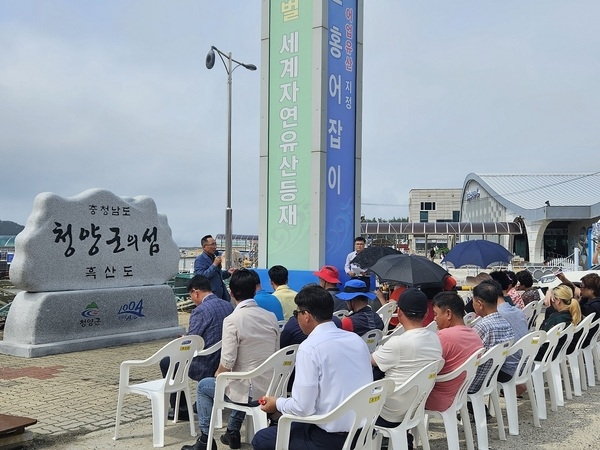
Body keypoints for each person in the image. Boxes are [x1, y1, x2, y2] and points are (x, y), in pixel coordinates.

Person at [251, 284, 373, 450]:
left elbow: (303, 408)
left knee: (262, 438)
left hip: (327, 438)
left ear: (306, 315)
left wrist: (276, 403)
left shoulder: (310, 347)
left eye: (297, 313)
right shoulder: (356, 340)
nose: (296, 318)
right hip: (362, 433)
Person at [182, 269, 280, 450]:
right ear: (255, 290)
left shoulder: (233, 320)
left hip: (249, 390)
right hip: (270, 387)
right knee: (238, 382)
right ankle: (232, 431)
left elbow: (226, 363)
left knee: (206, 385)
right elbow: (276, 353)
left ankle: (205, 440)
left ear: (232, 293)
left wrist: (218, 375)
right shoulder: (271, 317)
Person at [371, 288, 442, 450]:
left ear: (399, 312)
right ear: (425, 314)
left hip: (390, 411)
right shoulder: (435, 339)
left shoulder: (398, 343)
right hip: (415, 406)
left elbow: (371, 361)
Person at [160, 275, 234, 421]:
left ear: (195, 292)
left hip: (206, 362)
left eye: (191, 296)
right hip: (225, 359)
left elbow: (191, 340)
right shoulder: (227, 305)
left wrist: (183, 339)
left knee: (167, 362)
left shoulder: (200, 311)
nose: (192, 299)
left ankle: (181, 409)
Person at [426, 291, 483, 412]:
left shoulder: (444, 336)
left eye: (436, 314)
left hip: (438, 398)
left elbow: (426, 367)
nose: (435, 319)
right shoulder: (474, 334)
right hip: (460, 393)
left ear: (448, 314)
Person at [468, 281, 518, 395]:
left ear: (480, 304)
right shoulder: (505, 323)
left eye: (473, 302)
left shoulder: (482, 326)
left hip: (476, 381)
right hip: (493, 375)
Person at [536, 284, 582, 360]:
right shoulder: (572, 315)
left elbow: (542, 337)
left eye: (552, 299)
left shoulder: (555, 318)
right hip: (559, 353)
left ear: (558, 301)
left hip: (546, 355)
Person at [194, 235, 236, 302]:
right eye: (212, 245)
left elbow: (218, 275)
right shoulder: (200, 260)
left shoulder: (214, 257)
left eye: (215, 244)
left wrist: (228, 272)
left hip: (222, 295)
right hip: (210, 296)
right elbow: (201, 277)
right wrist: (214, 265)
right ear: (204, 246)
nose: (215, 247)